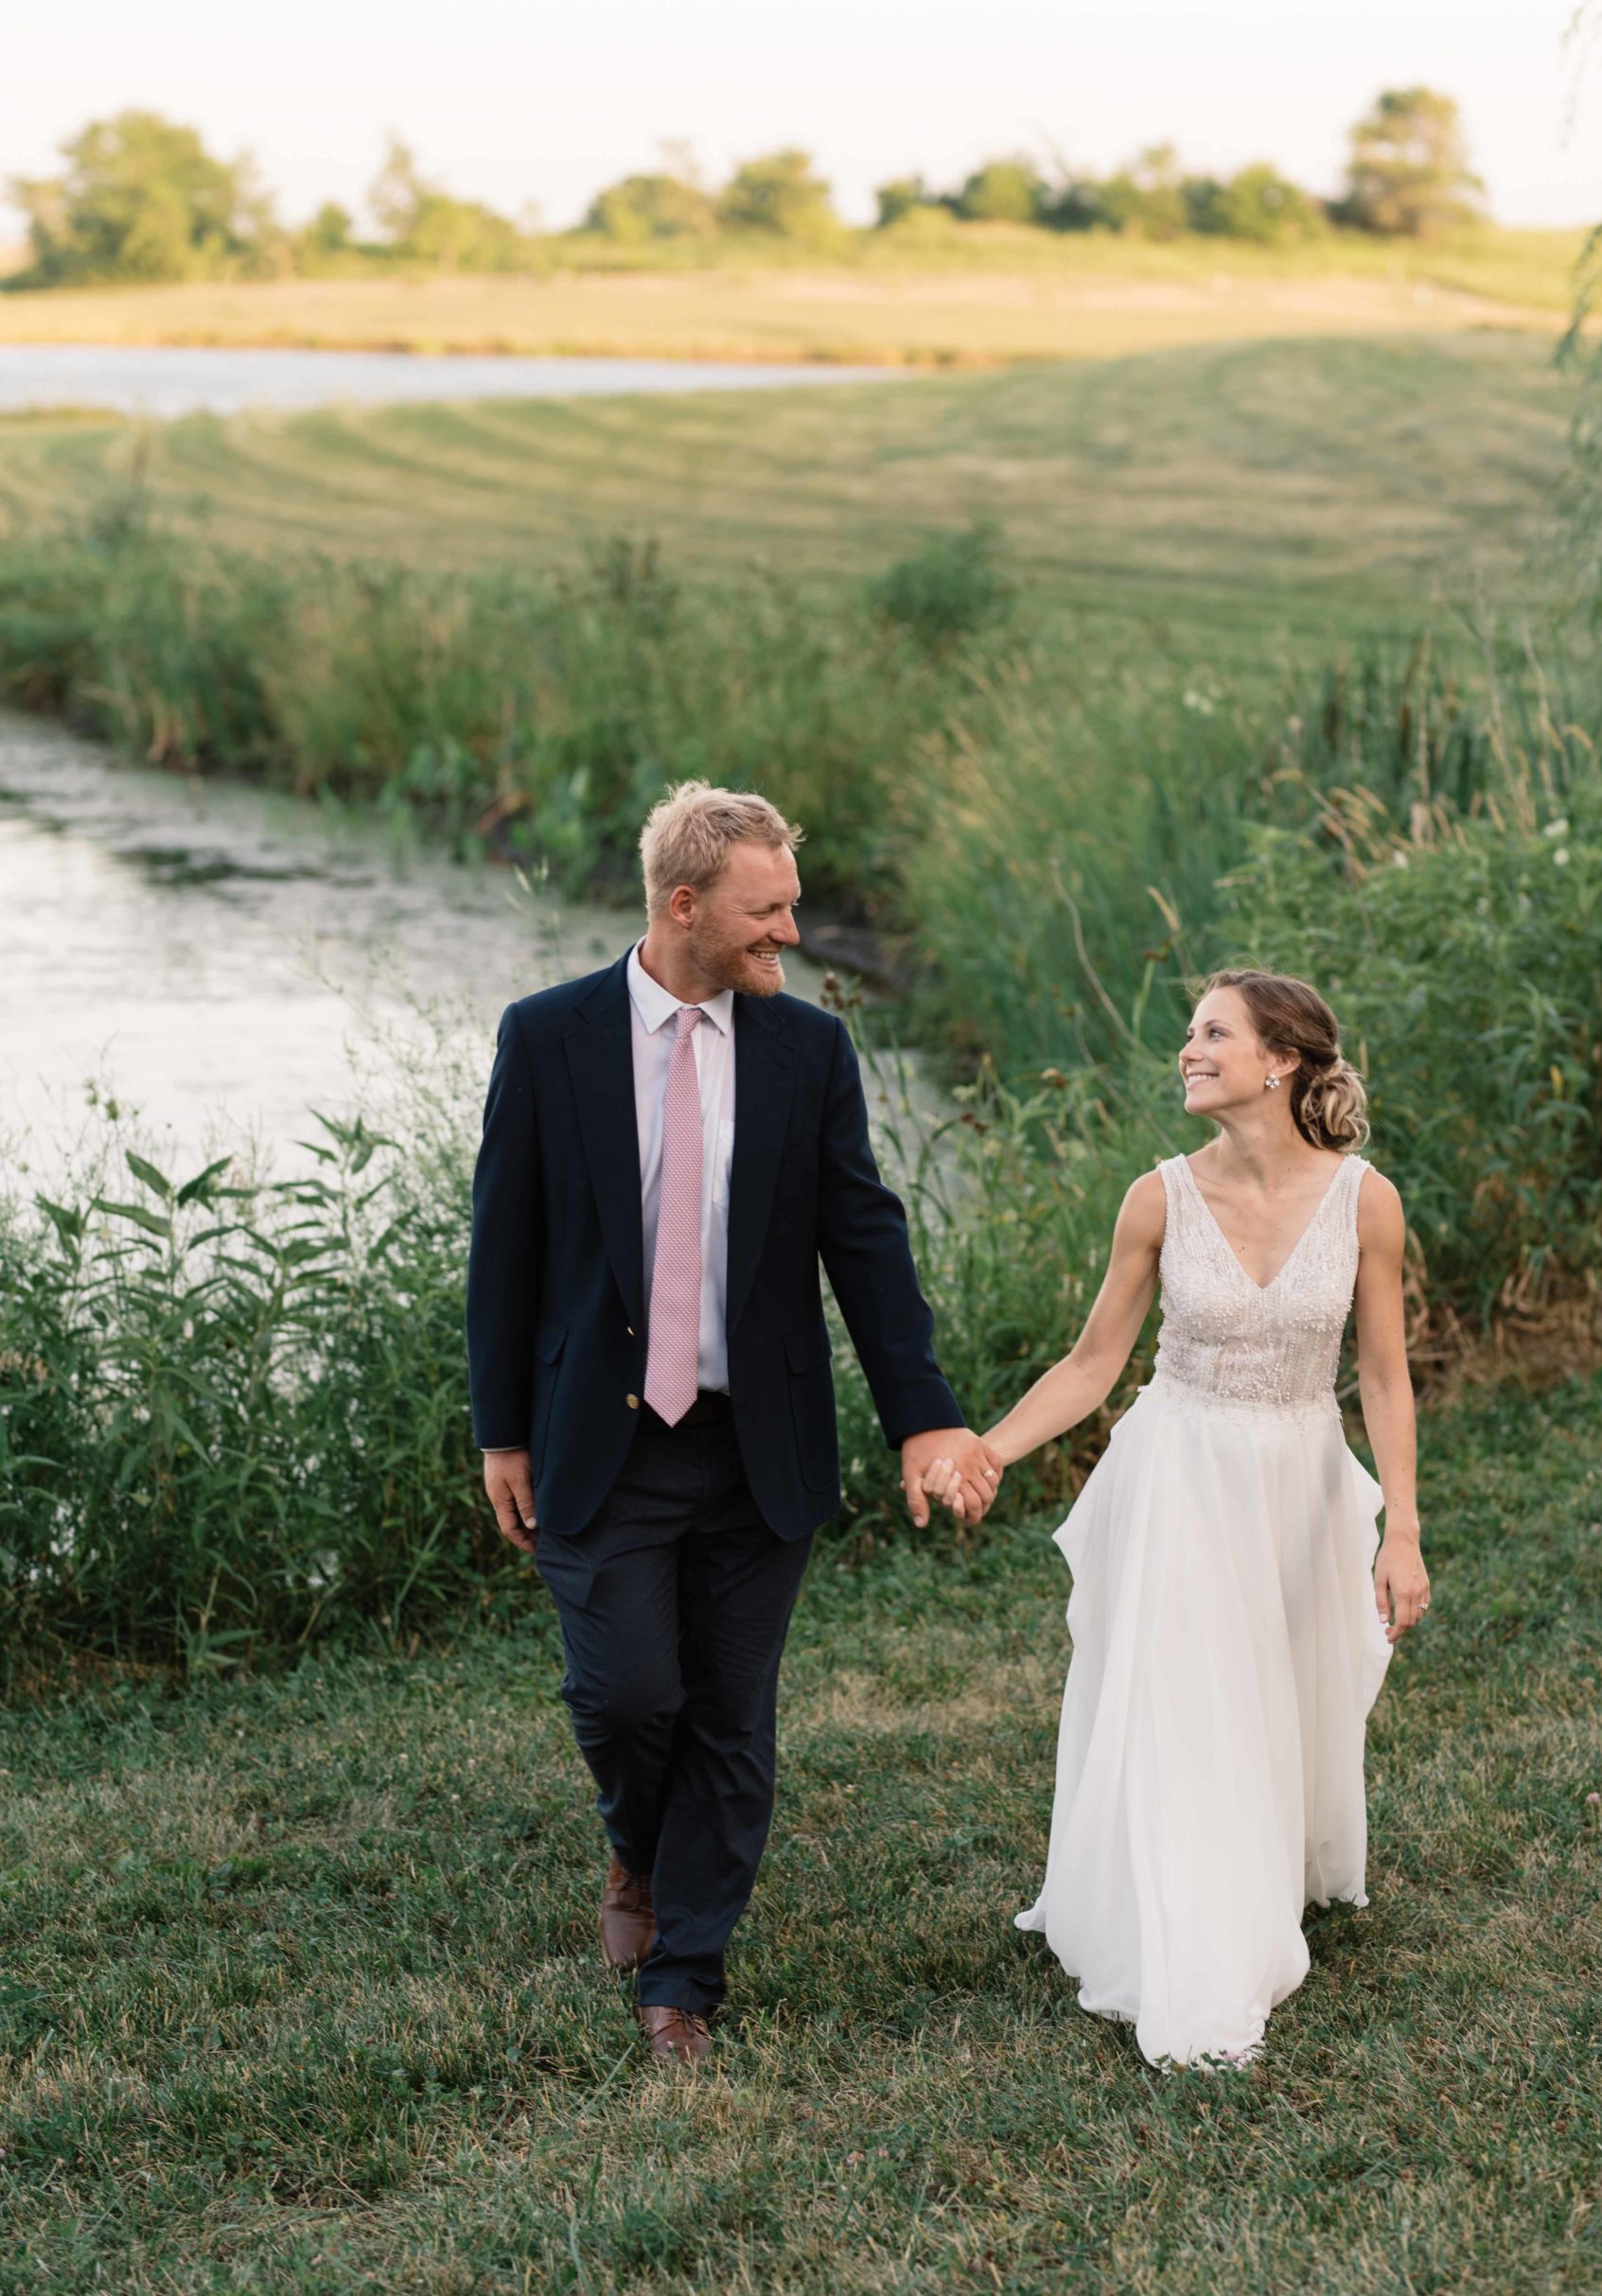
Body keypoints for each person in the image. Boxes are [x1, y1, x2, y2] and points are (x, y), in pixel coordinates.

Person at [467, 780, 999, 2067]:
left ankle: (684, 1981)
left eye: (795, 908)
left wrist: (921, 1418)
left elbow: (864, 1241)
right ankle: (632, 1849)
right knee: (625, 1694)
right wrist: (500, 1433)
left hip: (759, 1442)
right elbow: (505, 1248)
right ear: (684, 905)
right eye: (768, 913)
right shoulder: (549, 1038)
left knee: (730, 1715)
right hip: (600, 1434)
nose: (792, 936)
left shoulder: (807, 1051)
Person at [924, 969, 1429, 2071]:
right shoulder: (1156, 1195)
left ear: (1279, 1060)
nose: (1188, 1050)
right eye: (1188, 1033)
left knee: (1274, 1696)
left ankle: (1263, 1867)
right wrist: (987, 1448)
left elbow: (1383, 1376)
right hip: (1179, 1470)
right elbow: (1092, 1362)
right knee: (1189, 1701)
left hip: (1297, 1474)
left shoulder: (1364, 1200)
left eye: (1213, 1033)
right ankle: (1194, 1939)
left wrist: (1400, 1530)